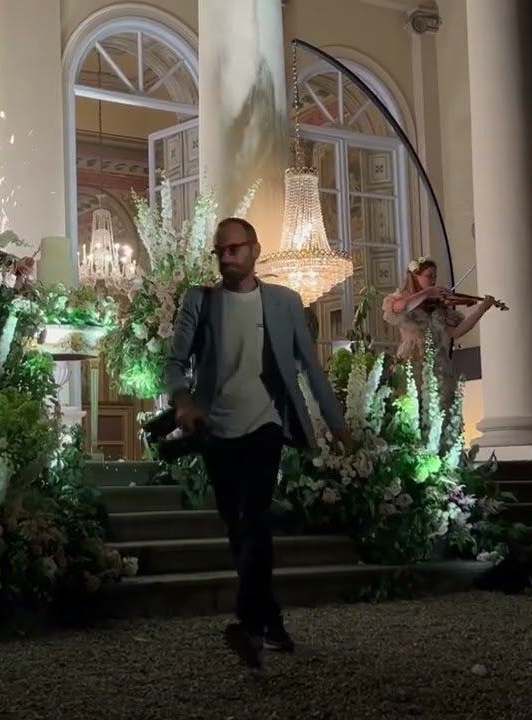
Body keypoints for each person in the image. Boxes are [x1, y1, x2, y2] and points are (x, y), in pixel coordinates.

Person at [164, 217, 353, 673]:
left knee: (255, 515)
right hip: (215, 427)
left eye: (234, 249)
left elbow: (310, 366)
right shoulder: (200, 301)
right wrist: (184, 401)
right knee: (237, 525)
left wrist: (337, 424)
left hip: (266, 422)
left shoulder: (284, 302)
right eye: (220, 251)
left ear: (254, 249)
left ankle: (248, 624)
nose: (226, 257)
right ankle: (270, 619)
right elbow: (174, 363)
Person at [381, 256, 495, 401]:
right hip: (412, 356)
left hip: (437, 360)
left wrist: (481, 310)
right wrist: (427, 292)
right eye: (429, 276)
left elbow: (457, 332)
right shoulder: (402, 298)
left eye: (435, 276)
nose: (433, 281)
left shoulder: (438, 306)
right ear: (415, 276)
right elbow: (402, 307)